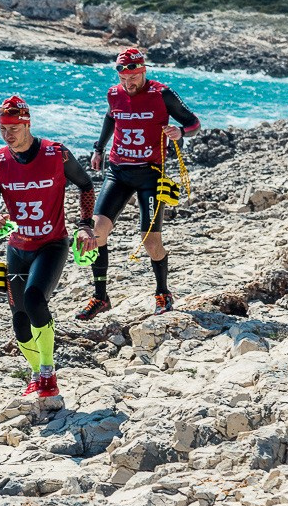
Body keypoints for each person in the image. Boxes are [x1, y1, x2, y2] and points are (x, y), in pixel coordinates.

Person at [0, 95, 96, 397]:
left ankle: (48, 373)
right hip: (17, 248)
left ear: (27, 123)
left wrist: (85, 226)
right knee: (19, 321)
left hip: (52, 245)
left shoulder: (56, 154)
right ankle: (34, 373)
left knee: (34, 300)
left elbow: (85, 185)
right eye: (3, 128)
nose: (8, 134)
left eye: (14, 128)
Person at [76, 48, 201, 321]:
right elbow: (111, 116)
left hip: (150, 175)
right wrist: (99, 149)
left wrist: (180, 132)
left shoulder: (162, 94)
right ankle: (100, 297)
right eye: (124, 79)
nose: (128, 84)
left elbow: (193, 122)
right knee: (97, 233)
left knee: (150, 241)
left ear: (143, 71)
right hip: (118, 171)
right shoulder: (114, 93)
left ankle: (163, 293)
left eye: (133, 78)